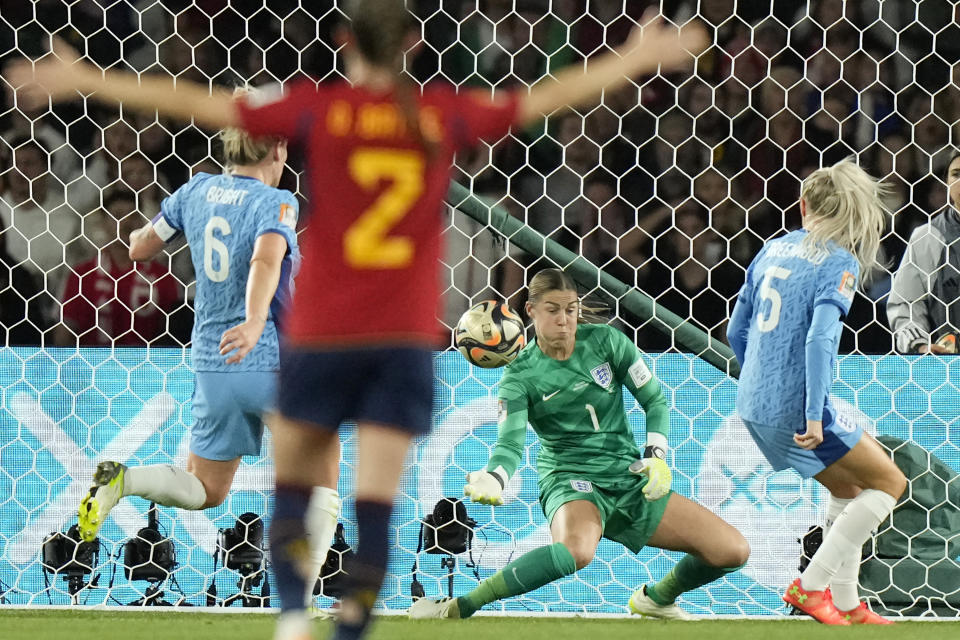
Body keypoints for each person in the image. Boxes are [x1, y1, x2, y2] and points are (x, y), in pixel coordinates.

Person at [6, 4, 706, 638]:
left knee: (293, 483)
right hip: (398, 340)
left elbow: (201, 100)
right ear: (413, 42)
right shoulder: (437, 112)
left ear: (341, 42)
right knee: (368, 498)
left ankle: (289, 618)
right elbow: (538, 100)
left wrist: (87, 78)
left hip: (319, 336)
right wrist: (635, 58)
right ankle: (349, 626)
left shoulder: (320, 109)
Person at [73, 108, 342, 602]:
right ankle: (300, 598)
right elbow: (266, 258)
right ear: (278, 148)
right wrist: (257, 318)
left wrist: (142, 233)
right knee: (321, 469)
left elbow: (139, 247)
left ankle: (123, 480)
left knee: (206, 488)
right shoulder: (277, 202)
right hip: (270, 358)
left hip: (212, 363)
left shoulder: (194, 191)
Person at [410, 268, 750, 620]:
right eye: (553, 310)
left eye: (570, 309)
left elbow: (654, 401)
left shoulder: (606, 342)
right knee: (577, 551)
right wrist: (495, 476)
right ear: (530, 311)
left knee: (732, 551)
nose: (564, 320)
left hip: (626, 477)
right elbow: (510, 444)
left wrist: (656, 456)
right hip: (570, 479)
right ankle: (461, 606)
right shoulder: (520, 375)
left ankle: (657, 598)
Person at [726, 158, 908, 625]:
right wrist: (810, 413)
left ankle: (846, 603)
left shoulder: (771, 249)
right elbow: (821, 339)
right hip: (797, 407)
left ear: (802, 205)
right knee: (890, 482)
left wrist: (758, 380)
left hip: (754, 403)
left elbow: (735, 331)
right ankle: (810, 587)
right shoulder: (840, 262)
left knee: (847, 488)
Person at [54, 188, 182, 347]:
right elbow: (64, 333)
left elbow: (175, 333)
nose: (126, 222)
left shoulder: (163, 276)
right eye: (118, 216)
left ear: (143, 223)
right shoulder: (82, 275)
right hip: (92, 366)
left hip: (146, 368)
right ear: (103, 223)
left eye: (133, 215)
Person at [887, 149, 960, 354]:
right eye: (956, 174)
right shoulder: (929, 237)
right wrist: (920, 345)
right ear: (946, 181)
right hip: (947, 367)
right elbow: (906, 302)